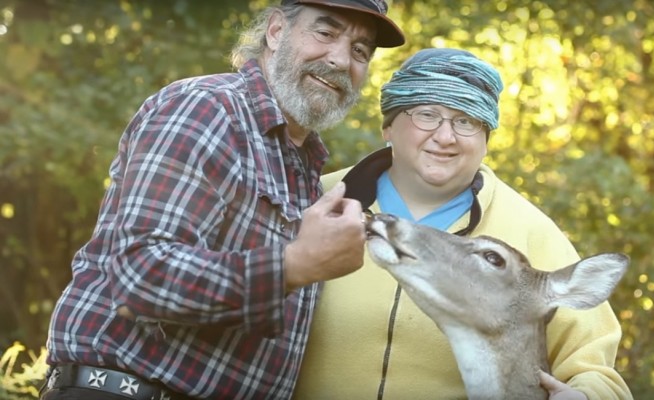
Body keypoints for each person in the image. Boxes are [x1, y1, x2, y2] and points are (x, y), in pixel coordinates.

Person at [39, 1, 404, 399]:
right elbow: (140, 272)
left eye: (360, 51)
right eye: (326, 33)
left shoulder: (304, 169)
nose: (339, 59)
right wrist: (292, 265)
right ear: (277, 31)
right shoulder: (208, 108)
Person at [293, 48, 633, 400]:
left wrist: (586, 395)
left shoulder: (533, 232)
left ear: (486, 140)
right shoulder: (313, 199)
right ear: (388, 127)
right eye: (427, 114)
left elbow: (596, 370)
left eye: (466, 121)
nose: (445, 137)